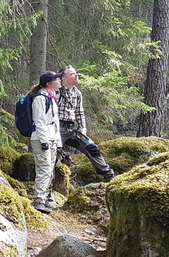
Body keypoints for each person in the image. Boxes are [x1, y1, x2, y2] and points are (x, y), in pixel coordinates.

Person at [57, 66, 116, 182]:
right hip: (57, 128)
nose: (76, 76)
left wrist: (82, 127)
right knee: (53, 154)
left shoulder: (77, 93)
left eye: (76, 73)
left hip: (71, 129)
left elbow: (79, 112)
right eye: (72, 74)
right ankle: (49, 187)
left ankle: (108, 175)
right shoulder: (57, 91)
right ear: (63, 78)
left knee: (91, 147)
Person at [28, 71, 62, 214]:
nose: (59, 81)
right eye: (57, 80)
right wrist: (44, 141)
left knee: (49, 169)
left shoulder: (51, 97)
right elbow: (39, 121)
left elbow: (55, 123)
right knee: (44, 169)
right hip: (42, 139)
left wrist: (58, 142)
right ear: (49, 83)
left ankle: (45, 199)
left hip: (52, 138)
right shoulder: (40, 99)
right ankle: (38, 200)